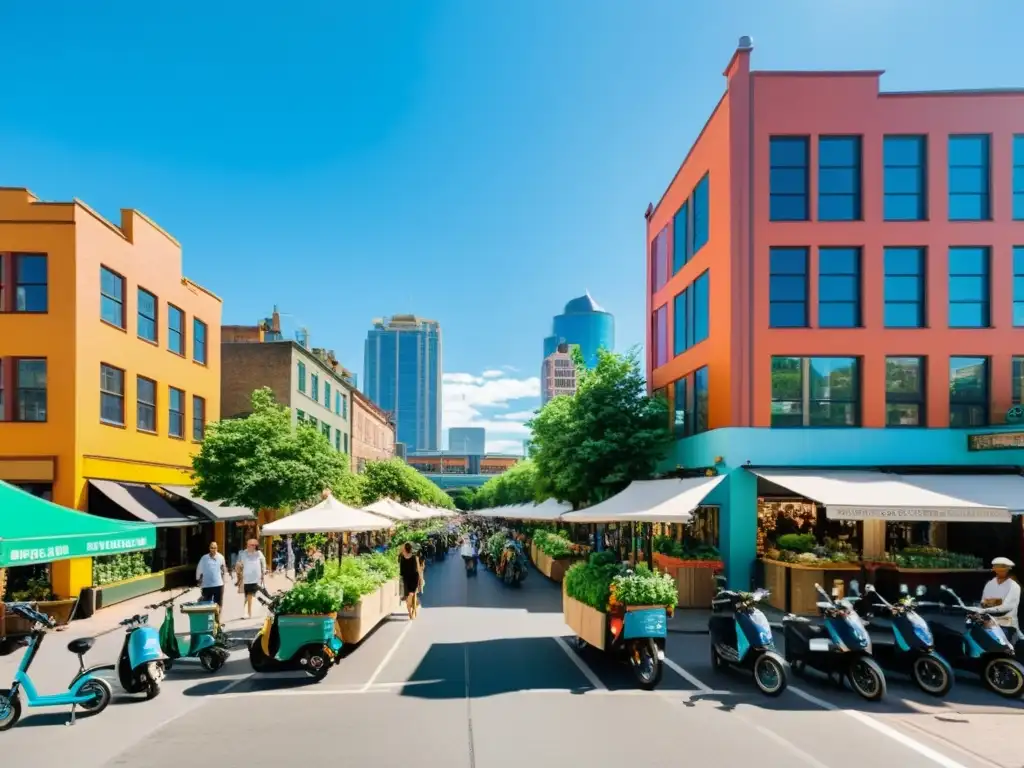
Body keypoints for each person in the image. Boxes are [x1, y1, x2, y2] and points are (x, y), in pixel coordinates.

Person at [981, 557, 1021, 640]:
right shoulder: (990, 584)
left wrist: (990, 603)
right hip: (989, 622)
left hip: (1006, 624)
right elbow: (983, 602)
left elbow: (1006, 607)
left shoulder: (1014, 586)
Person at [235, 538, 267, 619]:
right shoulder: (243, 553)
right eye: (249, 545)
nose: (251, 546)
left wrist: (263, 572)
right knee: (248, 595)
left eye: (253, 545)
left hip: (257, 578)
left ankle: (254, 613)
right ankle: (247, 613)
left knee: (254, 595)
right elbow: (239, 564)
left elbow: (263, 563)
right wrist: (238, 574)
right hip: (247, 579)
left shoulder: (259, 553)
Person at [196, 541, 228, 609]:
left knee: (218, 604)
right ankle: (208, 619)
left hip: (218, 585)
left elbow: (223, 570)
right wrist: (198, 579)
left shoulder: (221, 557)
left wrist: (224, 581)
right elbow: (199, 569)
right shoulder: (204, 558)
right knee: (206, 604)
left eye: (215, 548)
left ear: (217, 548)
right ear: (209, 548)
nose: (213, 549)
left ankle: (217, 618)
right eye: (212, 548)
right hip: (207, 585)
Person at [399, 543, 421, 619]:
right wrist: (421, 579)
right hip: (414, 578)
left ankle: (409, 612)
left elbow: (401, 571)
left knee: (407, 595)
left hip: (405, 578)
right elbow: (418, 569)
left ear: (405, 549)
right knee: (412, 594)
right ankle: (413, 609)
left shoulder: (402, 557)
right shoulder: (415, 557)